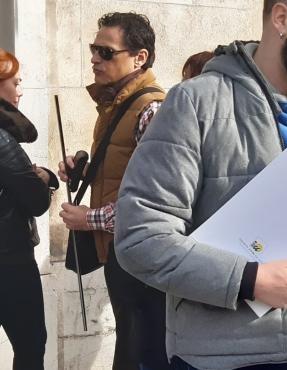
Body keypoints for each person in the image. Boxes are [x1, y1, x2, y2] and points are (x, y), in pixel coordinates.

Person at [114, 1, 287, 370]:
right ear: (281, 19)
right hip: (223, 358)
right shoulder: (195, 104)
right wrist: (248, 279)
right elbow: (140, 237)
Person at [55, 12, 168, 370]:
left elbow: (157, 201)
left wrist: (89, 219)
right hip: (122, 253)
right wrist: (87, 171)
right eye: (94, 50)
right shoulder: (117, 103)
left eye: (106, 52)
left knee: (141, 353)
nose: (94, 59)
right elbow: (127, 173)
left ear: (139, 58)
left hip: (144, 258)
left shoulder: (150, 109)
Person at [0, 48, 59, 370]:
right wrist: (47, 178)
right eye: (16, 82)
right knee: (31, 345)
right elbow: (35, 201)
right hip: (8, 261)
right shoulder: (3, 142)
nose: (20, 90)